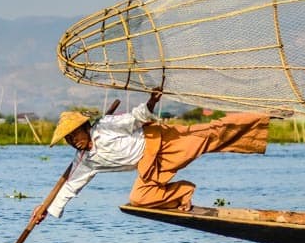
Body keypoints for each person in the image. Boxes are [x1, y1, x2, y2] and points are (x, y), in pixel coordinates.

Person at [30, 89, 270, 224]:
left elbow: (135, 119)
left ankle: (262, 117)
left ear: (84, 128)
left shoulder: (104, 126)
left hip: (160, 142)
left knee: (210, 135)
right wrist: (45, 208)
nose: (74, 142)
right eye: (69, 140)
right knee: (139, 197)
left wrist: (151, 102)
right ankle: (183, 194)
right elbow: (70, 187)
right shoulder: (84, 161)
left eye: (75, 136)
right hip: (148, 165)